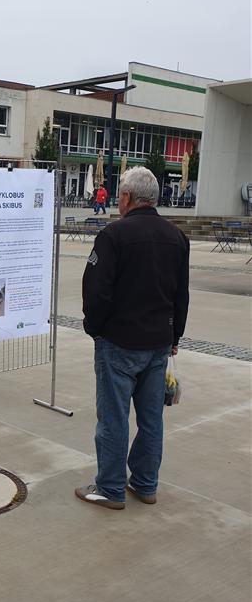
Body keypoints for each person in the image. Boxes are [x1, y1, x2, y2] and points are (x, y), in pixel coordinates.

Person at [77, 166, 189, 509]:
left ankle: (110, 488)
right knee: (151, 419)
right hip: (157, 344)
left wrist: (94, 328)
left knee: (113, 418)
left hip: (119, 342)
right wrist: (175, 337)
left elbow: (96, 291)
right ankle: (144, 483)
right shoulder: (177, 237)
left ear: (126, 198)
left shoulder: (114, 235)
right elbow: (180, 294)